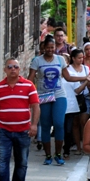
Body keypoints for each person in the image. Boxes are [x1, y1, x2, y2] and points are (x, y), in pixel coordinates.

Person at [29, 37, 72, 166]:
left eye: (52, 47)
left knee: (59, 123)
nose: (50, 50)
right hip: (43, 96)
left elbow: (67, 76)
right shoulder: (37, 61)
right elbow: (30, 79)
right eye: (47, 47)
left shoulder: (60, 59)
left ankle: (58, 154)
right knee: (46, 125)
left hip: (59, 95)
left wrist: (84, 78)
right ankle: (48, 155)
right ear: (43, 48)